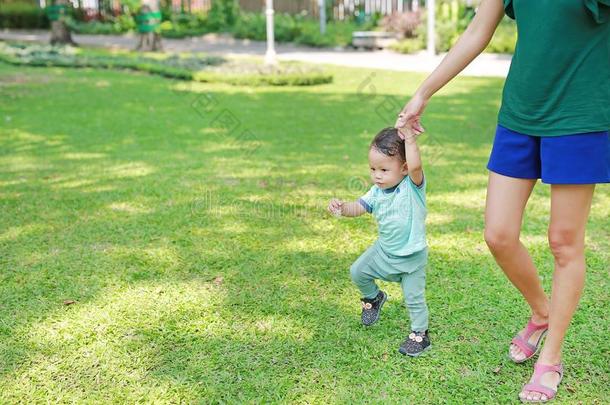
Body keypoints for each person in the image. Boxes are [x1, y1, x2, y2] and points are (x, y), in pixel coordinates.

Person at [394, 0, 609, 402]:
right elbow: (478, 31)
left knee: (564, 241)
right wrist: (424, 92)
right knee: (498, 233)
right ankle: (541, 312)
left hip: (582, 118)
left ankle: (552, 355)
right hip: (521, 113)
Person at [327, 127, 431, 357]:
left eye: (384, 169)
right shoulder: (376, 192)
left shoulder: (412, 187)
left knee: (414, 299)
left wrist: (411, 138)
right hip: (384, 252)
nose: (377, 175)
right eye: (373, 169)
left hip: (412, 258)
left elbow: (416, 166)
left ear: (403, 169)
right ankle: (374, 298)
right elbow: (358, 208)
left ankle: (419, 334)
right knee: (357, 271)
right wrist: (343, 208)